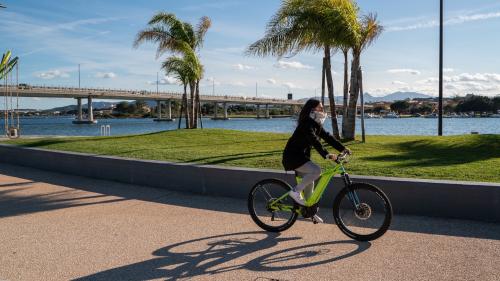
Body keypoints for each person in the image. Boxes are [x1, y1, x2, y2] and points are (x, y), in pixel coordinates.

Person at [282, 99, 349, 223]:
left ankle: (310, 212)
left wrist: (343, 148)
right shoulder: (306, 123)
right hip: (292, 157)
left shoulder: (315, 124)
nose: (323, 111)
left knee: (310, 184)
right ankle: (295, 191)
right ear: (312, 109)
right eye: (320, 108)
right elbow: (314, 141)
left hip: (301, 158)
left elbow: (328, 137)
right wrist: (327, 155)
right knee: (316, 171)